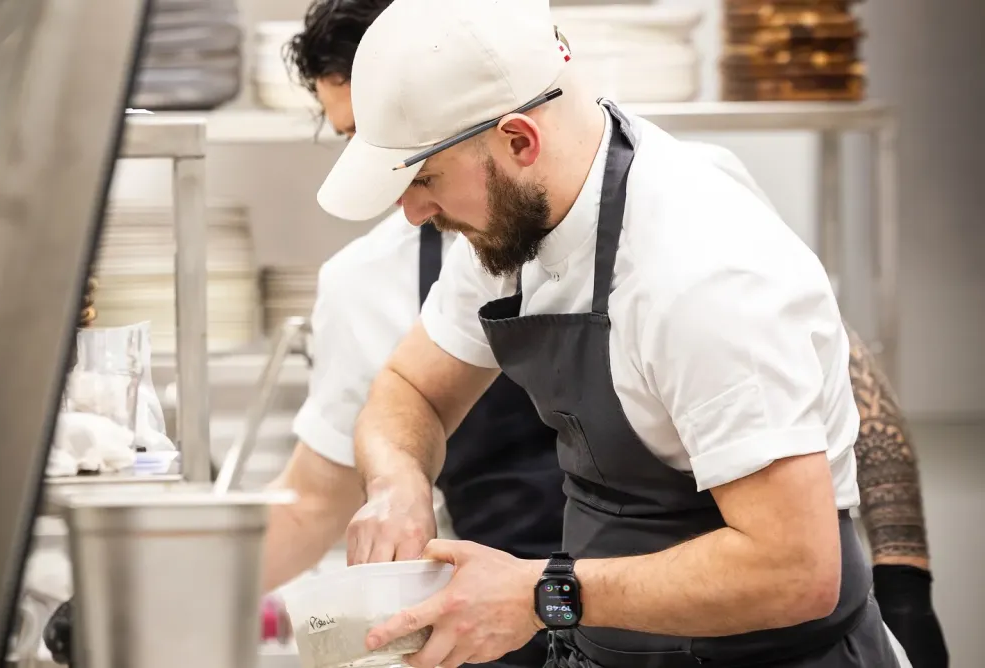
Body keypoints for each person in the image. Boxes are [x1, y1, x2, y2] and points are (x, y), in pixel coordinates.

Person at [307, 0, 931, 666]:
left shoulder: (699, 272)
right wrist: (399, 480)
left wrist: (541, 596)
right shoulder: (517, 227)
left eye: (426, 178)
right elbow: (411, 388)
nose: (411, 213)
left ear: (520, 140)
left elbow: (794, 570)